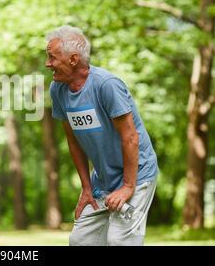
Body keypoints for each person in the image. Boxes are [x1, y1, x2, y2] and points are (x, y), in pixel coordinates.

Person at [45, 25, 158, 246]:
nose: (48, 63)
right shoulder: (57, 90)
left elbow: (130, 138)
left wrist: (127, 187)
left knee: (119, 241)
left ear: (73, 59)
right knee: (80, 240)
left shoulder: (107, 85)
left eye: (52, 57)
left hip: (137, 173)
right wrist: (86, 187)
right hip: (103, 179)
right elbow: (73, 140)